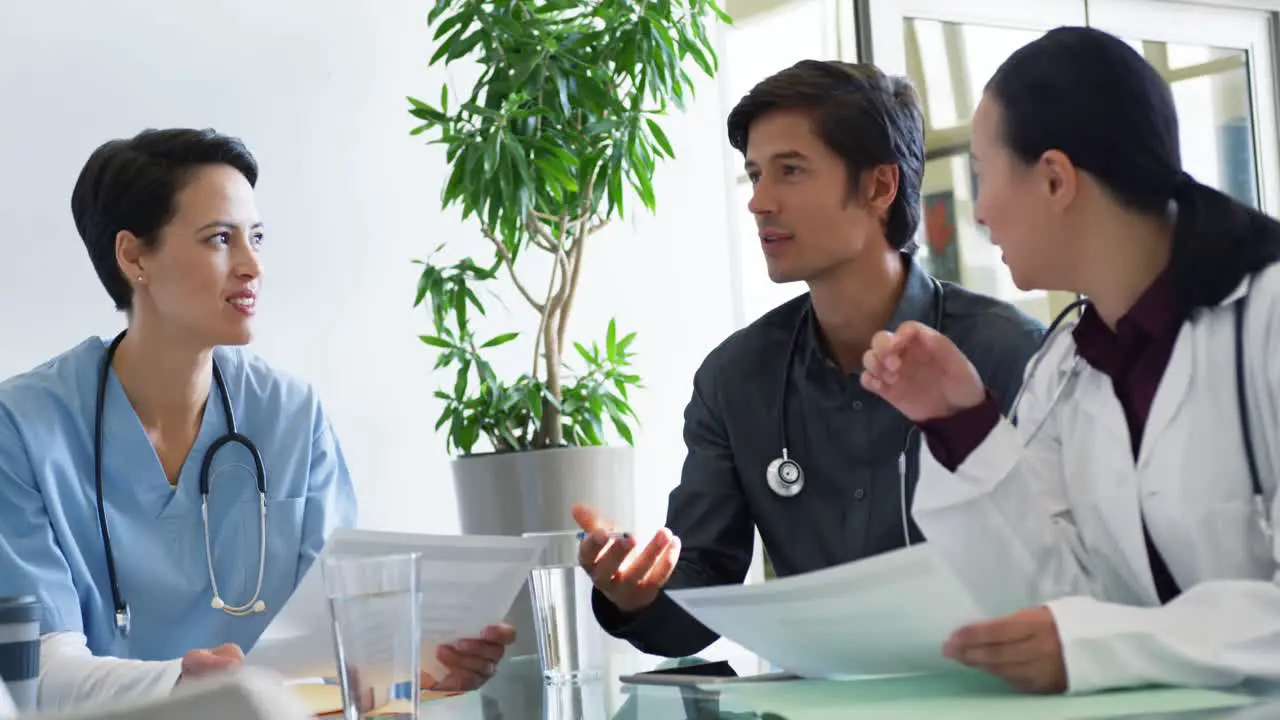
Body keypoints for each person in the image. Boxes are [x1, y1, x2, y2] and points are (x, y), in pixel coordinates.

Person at [0, 129, 515, 711]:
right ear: (134, 256)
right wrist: (181, 682)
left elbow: (340, 643)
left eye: (257, 238)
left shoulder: (293, 416)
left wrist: (424, 665)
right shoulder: (22, 425)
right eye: (220, 239)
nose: (252, 266)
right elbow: (37, 666)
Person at [572, 60, 1046, 658]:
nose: (759, 203)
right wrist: (638, 591)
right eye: (753, 175)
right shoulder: (736, 378)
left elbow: (1065, 562)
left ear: (879, 187)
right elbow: (703, 591)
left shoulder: (1009, 351)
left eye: (790, 171)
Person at [860, 26, 1280, 696]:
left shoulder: (1266, 319)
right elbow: (1058, 603)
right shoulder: (1067, 364)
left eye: (980, 175)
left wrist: (1114, 645)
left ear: (1055, 178)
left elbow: (1097, 638)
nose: (981, 215)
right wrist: (959, 420)